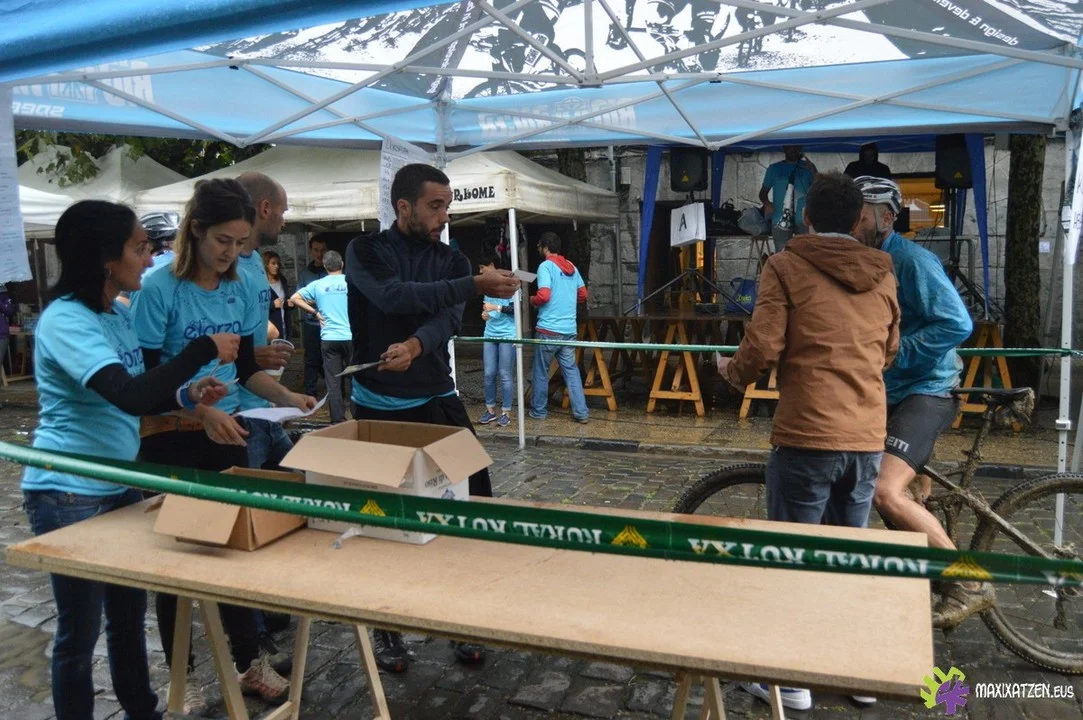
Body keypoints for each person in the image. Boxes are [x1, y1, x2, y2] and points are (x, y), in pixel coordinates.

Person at [22, 199, 235, 720]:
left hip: (118, 483)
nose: (150, 258)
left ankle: (143, 711)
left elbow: (142, 392)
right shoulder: (66, 321)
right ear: (105, 258)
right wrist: (202, 349)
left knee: (127, 618)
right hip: (68, 492)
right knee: (80, 632)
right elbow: (129, 396)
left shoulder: (116, 315)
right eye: (140, 248)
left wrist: (187, 396)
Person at [132, 179, 316, 713]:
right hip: (169, 438)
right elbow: (145, 382)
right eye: (222, 241)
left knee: (235, 549)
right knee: (176, 565)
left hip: (228, 432)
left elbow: (244, 369)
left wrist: (287, 395)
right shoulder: (157, 288)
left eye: (239, 242)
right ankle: (181, 675)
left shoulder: (241, 284)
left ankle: (248, 660)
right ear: (195, 230)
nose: (231, 253)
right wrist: (198, 411)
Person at [718, 172, 899, 712]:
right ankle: (857, 672)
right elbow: (889, 349)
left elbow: (764, 344)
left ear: (806, 216)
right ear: (860, 219)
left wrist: (732, 373)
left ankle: (792, 681)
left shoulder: (785, 265)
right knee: (849, 555)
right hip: (866, 433)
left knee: (793, 554)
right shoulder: (883, 272)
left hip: (808, 430)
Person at [344, 163, 519, 672]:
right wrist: (472, 284)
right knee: (382, 515)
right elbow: (393, 296)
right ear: (404, 207)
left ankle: (462, 616)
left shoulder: (451, 258)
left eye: (447, 206)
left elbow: (446, 319)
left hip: (437, 394)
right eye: (435, 206)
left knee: (475, 500)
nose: (444, 216)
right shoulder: (365, 250)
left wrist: (418, 345)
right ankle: (386, 625)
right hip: (377, 401)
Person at [852, 175, 983, 629]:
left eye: (860, 217)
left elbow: (957, 323)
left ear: (887, 218)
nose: (852, 224)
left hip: (927, 389)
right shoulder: (863, 259)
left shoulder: (911, 260)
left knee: (884, 490)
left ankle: (969, 581)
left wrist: (896, 352)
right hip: (888, 390)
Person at [235, 173, 294, 473]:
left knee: (301, 479)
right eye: (283, 212)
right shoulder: (226, 266)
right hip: (237, 413)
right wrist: (250, 355)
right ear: (265, 208)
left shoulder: (256, 260)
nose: (283, 222)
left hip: (262, 405)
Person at [528, 232, 589, 424]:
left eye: (539, 246)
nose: (539, 249)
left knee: (541, 371)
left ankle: (539, 411)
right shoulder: (571, 266)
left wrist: (532, 300)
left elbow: (544, 295)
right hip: (569, 330)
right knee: (571, 371)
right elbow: (583, 295)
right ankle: (581, 412)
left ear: (545, 247)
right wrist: (566, 299)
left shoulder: (545, 266)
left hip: (548, 329)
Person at [291, 250, 352, 423]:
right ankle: (358, 418)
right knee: (356, 380)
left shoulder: (318, 285)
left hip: (329, 338)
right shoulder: (350, 282)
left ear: (325, 266)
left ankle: (337, 420)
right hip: (350, 336)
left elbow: (295, 298)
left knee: (333, 382)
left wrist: (315, 312)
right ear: (342, 264)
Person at [479, 253, 518, 427]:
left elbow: (516, 310)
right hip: (490, 334)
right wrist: (485, 314)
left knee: (505, 374)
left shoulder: (512, 284)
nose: (481, 271)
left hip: (508, 334)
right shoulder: (486, 286)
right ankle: (490, 410)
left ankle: (506, 412)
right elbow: (486, 310)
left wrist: (496, 307)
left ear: (493, 265)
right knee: (489, 373)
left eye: (483, 267)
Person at [759, 145, 817, 252]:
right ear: (784, 148)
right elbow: (763, 193)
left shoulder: (808, 168)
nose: (793, 150)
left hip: (803, 220)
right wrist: (767, 203)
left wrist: (813, 168)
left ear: (800, 149)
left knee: (805, 254)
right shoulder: (773, 169)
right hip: (780, 219)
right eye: (790, 147)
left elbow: (819, 187)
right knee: (782, 254)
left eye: (796, 147)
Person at [298, 236, 328, 397]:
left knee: (331, 359)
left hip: (329, 323)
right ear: (311, 251)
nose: (319, 254)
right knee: (311, 359)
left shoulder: (332, 272)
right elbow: (298, 298)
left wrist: (313, 299)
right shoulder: (304, 274)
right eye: (316, 250)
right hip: (311, 324)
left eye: (322, 250)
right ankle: (310, 393)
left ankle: (335, 392)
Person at [265, 250, 290, 340]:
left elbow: (285, 299)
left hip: (284, 324)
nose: (276, 266)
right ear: (266, 265)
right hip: (270, 326)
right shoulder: (262, 283)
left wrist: (289, 303)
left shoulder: (282, 280)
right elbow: (256, 306)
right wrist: (272, 305)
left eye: (278, 264)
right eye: (273, 263)